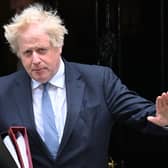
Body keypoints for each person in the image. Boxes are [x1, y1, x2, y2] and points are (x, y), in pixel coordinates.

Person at [1, 3, 168, 167]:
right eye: (28, 53)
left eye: (42, 50)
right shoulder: (3, 90)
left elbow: (138, 112)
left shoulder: (99, 81)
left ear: (59, 46)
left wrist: (162, 119)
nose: (35, 60)